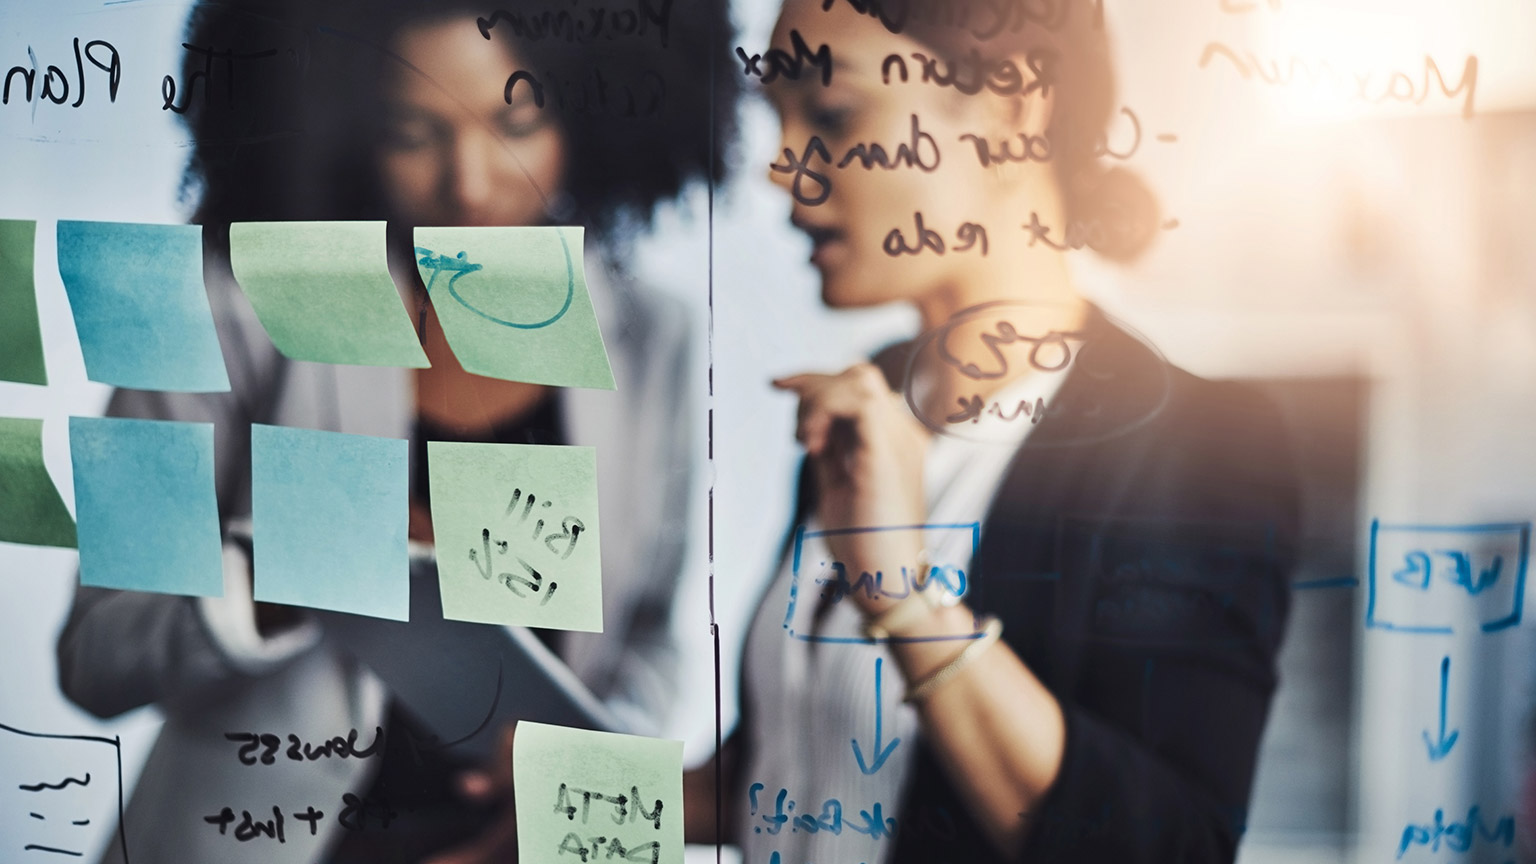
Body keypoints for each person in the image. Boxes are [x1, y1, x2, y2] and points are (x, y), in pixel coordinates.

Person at [54, 1, 736, 862]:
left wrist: (583, 794)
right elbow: (94, 655)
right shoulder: (224, 298)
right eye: (414, 134)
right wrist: (290, 569)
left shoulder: (652, 336)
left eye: (516, 120)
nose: (473, 182)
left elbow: (646, 641)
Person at [682, 1, 1300, 862]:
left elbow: (1168, 847)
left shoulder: (1197, 446)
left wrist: (905, 599)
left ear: (1011, 108)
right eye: (778, 120)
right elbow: (792, 765)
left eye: (830, 114)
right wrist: (559, 797)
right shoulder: (870, 401)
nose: (783, 167)